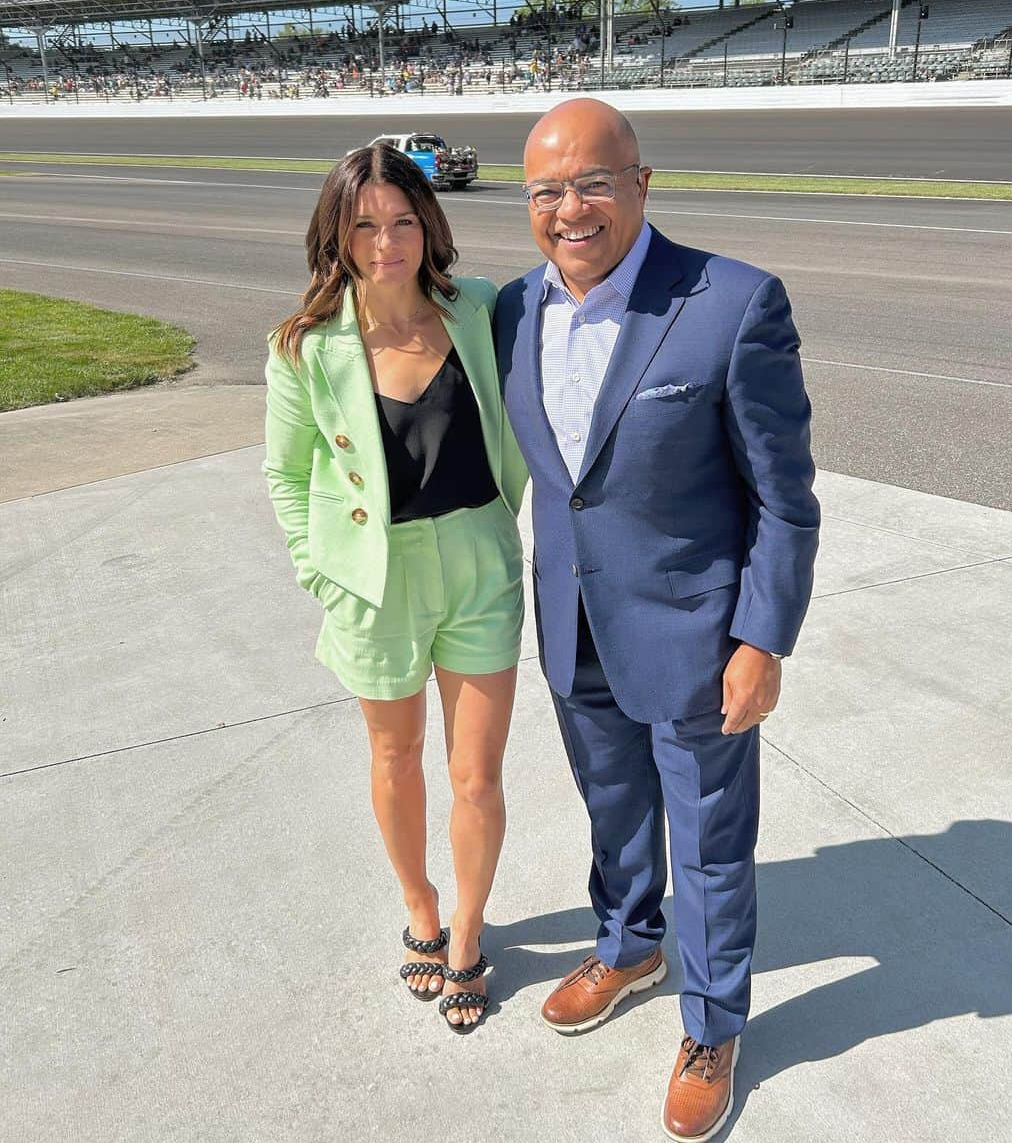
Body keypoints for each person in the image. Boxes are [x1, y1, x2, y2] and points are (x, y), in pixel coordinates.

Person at [494, 99, 819, 1139]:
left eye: (593, 181)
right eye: (547, 190)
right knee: (614, 811)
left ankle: (715, 1021)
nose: (570, 208)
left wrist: (763, 639)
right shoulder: (510, 311)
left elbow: (784, 497)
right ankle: (631, 944)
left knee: (713, 844)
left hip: (695, 638)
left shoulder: (731, 303)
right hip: (574, 627)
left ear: (641, 182)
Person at [263, 144, 527, 1033]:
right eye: (366, 225)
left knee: (477, 775)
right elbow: (286, 475)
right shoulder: (306, 347)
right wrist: (320, 573)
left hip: (480, 564)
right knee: (394, 757)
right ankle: (420, 908)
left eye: (404, 221)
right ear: (337, 232)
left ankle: (468, 935)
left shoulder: (478, 310)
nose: (387, 243)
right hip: (373, 581)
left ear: (429, 224)